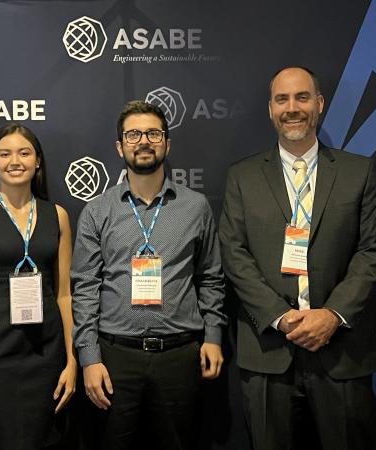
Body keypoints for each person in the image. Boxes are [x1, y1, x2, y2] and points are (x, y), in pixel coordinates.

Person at [219, 66, 376, 449]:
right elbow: (233, 253)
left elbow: (372, 251)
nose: (292, 108)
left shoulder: (358, 173)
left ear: (319, 104)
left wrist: (332, 315)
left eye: (301, 97)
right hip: (268, 354)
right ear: (270, 109)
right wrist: (281, 319)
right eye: (282, 99)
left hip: (342, 352)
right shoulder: (242, 177)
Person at [72, 100, 227, 449]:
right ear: (119, 146)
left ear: (167, 144)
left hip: (180, 356)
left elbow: (210, 278)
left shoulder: (195, 206)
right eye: (134, 134)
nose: (144, 141)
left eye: (154, 133)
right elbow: (85, 288)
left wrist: (214, 336)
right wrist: (89, 358)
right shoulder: (97, 211)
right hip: (115, 358)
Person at [0, 123, 77, 449]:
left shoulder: (57, 215)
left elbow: (64, 294)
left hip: (46, 355)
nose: (15, 161)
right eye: (4, 153)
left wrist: (72, 360)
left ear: (38, 162)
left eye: (24, 152)